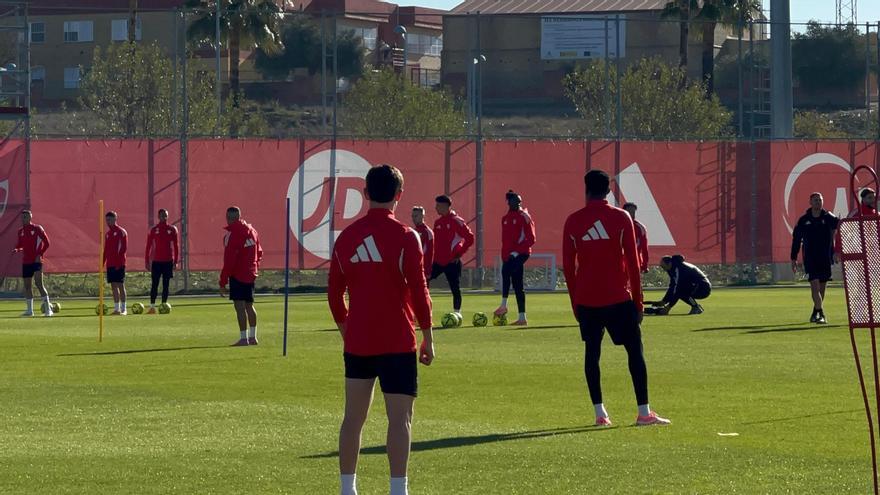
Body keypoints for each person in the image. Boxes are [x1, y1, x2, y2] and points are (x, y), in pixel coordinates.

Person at [328, 164, 434, 495]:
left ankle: (348, 489)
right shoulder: (406, 236)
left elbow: (333, 294)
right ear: (399, 196)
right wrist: (428, 335)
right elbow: (419, 291)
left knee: (353, 419)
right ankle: (398, 490)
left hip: (359, 340)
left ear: (365, 193)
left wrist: (347, 327)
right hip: (398, 340)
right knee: (400, 419)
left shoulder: (346, 238)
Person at [562, 170, 669, 427]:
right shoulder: (621, 218)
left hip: (587, 300)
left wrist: (575, 303)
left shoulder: (573, 221)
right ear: (609, 190)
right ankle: (643, 412)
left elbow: (568, 267)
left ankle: (600, 414)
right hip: (619, 298)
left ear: (585, 188)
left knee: (592, 353)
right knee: (635, 352)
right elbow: (633, 263)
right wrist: (638, 302)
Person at [791, 192, 838, 324]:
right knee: (814, 286)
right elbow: (796, 240)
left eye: (820, 200)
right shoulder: (803, 220)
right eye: (815, 200)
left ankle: (815, 312)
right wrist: (793, 257)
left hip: (825, 257)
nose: (818, 202)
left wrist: (837, 251)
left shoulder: (828, 217)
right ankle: (821, 314)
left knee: (822, 287)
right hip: (810, 258)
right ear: (810, 202)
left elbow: (841, 227)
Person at [219, 206, 262, 346]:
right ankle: (253, 337)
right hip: (250, 273)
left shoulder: (232, 235)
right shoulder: (252, 231)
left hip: (238, 274)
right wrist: (255, 266)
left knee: (239, 306)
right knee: (250, 305)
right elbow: (259, 251)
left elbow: (229, 260)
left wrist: (222, 282)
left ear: (229, 218)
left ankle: (244, 338)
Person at [494, 190, 536, 326]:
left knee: (506, 271)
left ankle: (503, 305)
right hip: (509, 255)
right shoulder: (505, 219)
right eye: (515, 201)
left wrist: (516, 252)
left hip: (521, 253)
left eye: (519, 201)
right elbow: (505, 241)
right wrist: (506, 255)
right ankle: (522, 317)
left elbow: (531, 238)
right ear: (508, 202)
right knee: (517, 284)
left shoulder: (525, 216)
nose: (518, 203)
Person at [430, 195, 474, 318]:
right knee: (424, 281)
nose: (436, 208)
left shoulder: (456, 221)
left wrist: (459, 254)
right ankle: (423, 312)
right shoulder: (438, 222)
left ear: (445, 206)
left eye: (438, 205)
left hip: (452, 262)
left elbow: (470, 238)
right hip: (438, 261)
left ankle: (457, 314)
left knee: (455, 288)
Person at [12, 210, 52, 317]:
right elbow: (20, 245)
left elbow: (47, 243)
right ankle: (30, 311)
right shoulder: (20, 231)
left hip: (36, 261)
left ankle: (48, 310)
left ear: (30, 217)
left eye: (26, 217)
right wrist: (17, 249)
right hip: (26, 261)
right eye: (22, 217)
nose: (23, 219)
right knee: (27, 286)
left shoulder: (37, 228)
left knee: (39, 284)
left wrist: (40, 254)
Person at [144, 209, 179, 314]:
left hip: (168, 261)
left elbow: (176, 246)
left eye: (165, 216)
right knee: (154, 284)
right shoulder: (153, 229)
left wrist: (175, 261)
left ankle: (163, 305)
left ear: (167, 216)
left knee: (166, 284)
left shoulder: (172, 229)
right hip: (156, 261)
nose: (164, 217)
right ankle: (152, 307)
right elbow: (148, 246)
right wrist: (147, 261)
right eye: (162, 216)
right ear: (158, 216)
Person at [103, 211, 129, 315]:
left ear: (115, 219)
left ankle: (124, 308)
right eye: (107, 220)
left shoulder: (121, 232)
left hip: (119, 263)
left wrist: (120, 262)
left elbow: (123, 248)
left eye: (110, 219)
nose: (108, 222)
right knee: (113, 285)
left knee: (120, 285)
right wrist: (103, 262)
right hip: (110, 263)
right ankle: (116, 308)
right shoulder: (107, 234)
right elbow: (106, 249)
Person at [622, 202, 649, 273]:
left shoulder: (640, 227)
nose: (632, 214)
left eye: (633, 212)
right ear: (624, 212)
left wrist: (645, 264)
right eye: (630, 211)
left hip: (634, 262)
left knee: (634, 283)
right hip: (619, 263)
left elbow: (644, 248)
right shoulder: (617, 225)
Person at [411, 206, 433, 279]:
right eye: (413, 216)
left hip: (423, 268)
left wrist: (428, 271)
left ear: (422, 216)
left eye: (416, 216)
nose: (414, 218)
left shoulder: (428, 232)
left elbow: (430, 252)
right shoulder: (413, 231)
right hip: (413, 267)